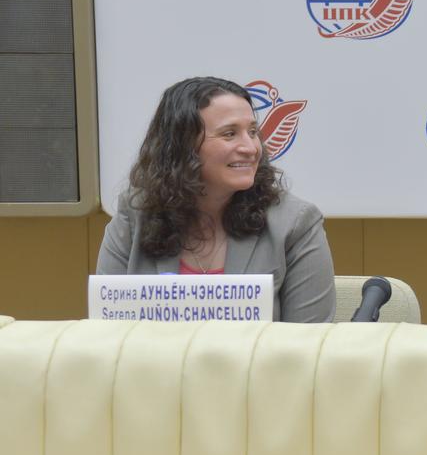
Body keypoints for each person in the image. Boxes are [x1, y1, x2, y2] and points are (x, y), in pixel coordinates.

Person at [97, 76, 336, 322]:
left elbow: (307, 340)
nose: (251, 148)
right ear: (183, 146)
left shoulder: (295, 223)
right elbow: (107, 331)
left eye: (252, 132)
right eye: (229, 134)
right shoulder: (136, 213)